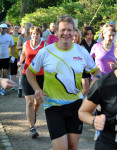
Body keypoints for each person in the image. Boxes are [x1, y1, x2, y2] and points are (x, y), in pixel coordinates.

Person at [26, 14, 101, 150]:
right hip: (53, 106)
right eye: (62, 30)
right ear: (56, 32)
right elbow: (30, 72)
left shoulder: (81, 51)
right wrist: (37, 89)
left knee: (72, 147)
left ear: (74, 32)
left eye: (69, 30)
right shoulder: (46, 51)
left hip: (76, 105)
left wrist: (96, 79)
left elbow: (96, 71)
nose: (66, 33)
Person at [17, 26, 45, 139]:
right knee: (29, 101)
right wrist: (20, 62)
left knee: (37, 100)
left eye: (37, 34)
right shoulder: (26, 44)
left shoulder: (44, 45)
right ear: (30, 34)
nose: (35, 36)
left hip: (40, 76)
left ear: (40, 35)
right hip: (27, 74)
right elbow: (23, 54)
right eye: (33, 33)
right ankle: (32, 127)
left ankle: (33, 113)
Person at [17, 22, 32, 97]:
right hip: (22, 57)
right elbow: (17, 47)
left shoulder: (33, 36)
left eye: (30, 29)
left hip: (30, 57)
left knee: (31, 73)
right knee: (21, 74)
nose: (29, 31)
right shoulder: (21, 36)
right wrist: (25, 46)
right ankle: (20, 89)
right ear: (25, 29)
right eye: (28, 30)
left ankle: (30, 88)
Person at [0, 23, 15, 95]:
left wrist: (12, 56)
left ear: (6, 29)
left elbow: (12, 47)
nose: (3, 30)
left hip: (6, 58)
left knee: (5, 75)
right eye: (2, 28)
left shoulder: (9, 37)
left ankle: (2, 89)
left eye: (5, 28)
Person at [9, 24, 20, 90]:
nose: (16, 29)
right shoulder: (10, 36)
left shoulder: (20, 36)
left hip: (18, 55)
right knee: (11, 70)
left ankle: (13, 84)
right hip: (11, 55)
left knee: (16, 70)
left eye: (17, 28)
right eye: (15, 28)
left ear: (19, 29)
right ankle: (11, 83)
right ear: (13, 29)